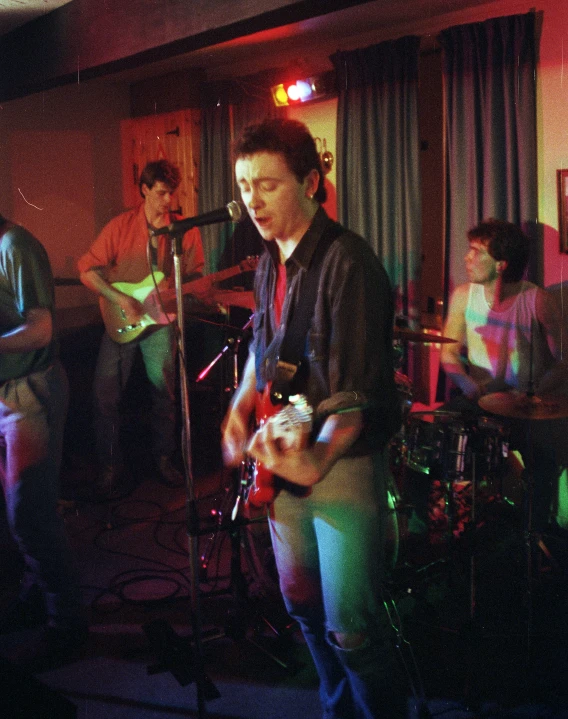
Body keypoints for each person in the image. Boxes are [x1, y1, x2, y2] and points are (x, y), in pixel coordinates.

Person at [222, 118, 406, 718]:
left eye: (267, 184)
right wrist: (240, 404)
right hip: (291, 455)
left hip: (341, 460)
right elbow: (265, 349)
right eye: (246, 184)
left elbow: (357, 393)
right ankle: (338, 708)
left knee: (351, 625)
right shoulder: (268, 263)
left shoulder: (348, 262)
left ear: (310, 181)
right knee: (301, 605)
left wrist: (315, 458)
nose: (252, 199)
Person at [78, 159, 205, 497]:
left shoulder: (184, 230)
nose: (168, 201)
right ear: (145, 190)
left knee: (165, 395)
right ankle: (109, 465)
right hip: (121, 321)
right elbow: (87, 270)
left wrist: (191, 287)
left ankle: (164, 459)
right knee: (105, 396)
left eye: (171, 194)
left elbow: (197, 275)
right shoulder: (119, 227)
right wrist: (120, 299)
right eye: (161, 193)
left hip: (161, 324)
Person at [440, 218, 568, 533]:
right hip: (483, 401)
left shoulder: (538, 300)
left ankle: (532, 535)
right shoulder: (462, 296)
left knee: (545, 460)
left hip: (528, 407)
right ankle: (444, 519)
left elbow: (565, 360)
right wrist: (467, 384)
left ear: (501, 264)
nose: (466, 258)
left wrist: (534, 391)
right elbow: (448, 352)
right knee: (441, 425)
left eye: (475, 252)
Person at [0, 213, 86, 670]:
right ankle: (38, 595)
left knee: (30, 513)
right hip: (8, 393)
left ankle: (66, 623)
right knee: (18, 513)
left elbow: (41, 329)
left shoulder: (16, 247)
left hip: (29, 392)